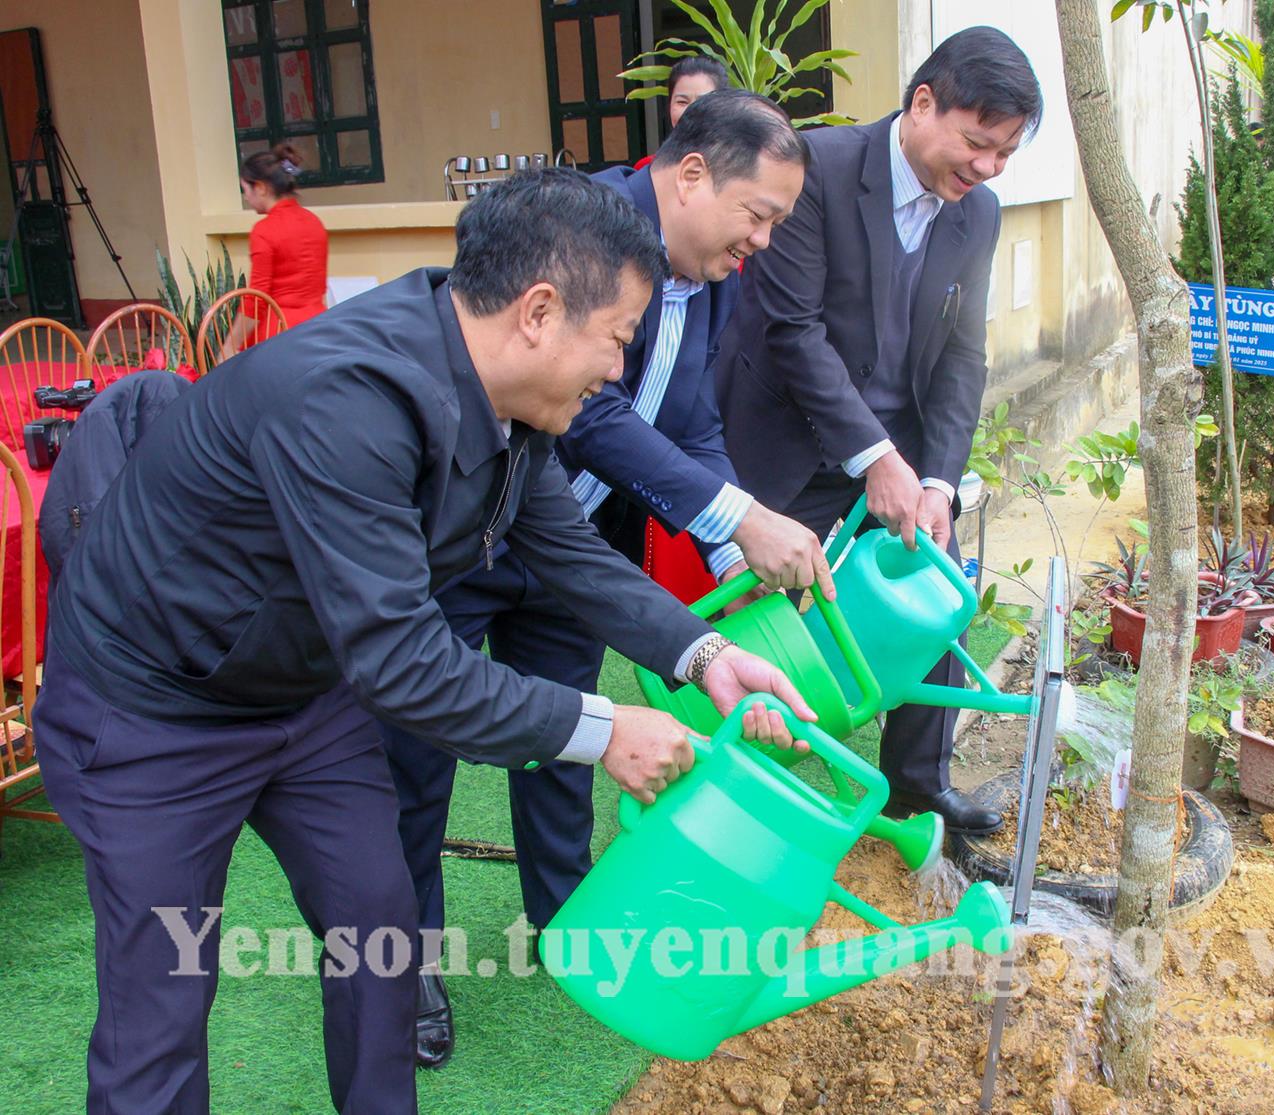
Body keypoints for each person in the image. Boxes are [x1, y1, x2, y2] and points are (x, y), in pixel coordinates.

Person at [34, 169, 814, 1115]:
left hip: (303, 694)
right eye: (614, 339)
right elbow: (402, 664)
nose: (617, 369)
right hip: (151, 709)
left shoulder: (503, 393)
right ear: (538, 311)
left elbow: (570, 553)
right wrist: (604, 727)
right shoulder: (344, 401)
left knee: (379, 922)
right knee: (160, 995)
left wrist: (704, 655)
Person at [379, 89, 822, 1068]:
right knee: (414, 759)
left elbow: (690, 424)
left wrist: (726, 556)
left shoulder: (706, 276)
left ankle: (570, 920)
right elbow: (592, 415)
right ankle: (408, 967)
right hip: (463, 543)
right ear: (694, 173)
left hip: (574, 551)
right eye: (759, 216)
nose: (761, 242)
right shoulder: (576, 236)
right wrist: (739, 514)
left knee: (566, 742)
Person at [716, 27, 1043, 835]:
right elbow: (792, 329)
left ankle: (913, 784)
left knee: (942, 597)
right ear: (922, 103)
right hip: (785, 441)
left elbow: (963, 353)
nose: (988, 168)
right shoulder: (817, 169)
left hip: (898, 451)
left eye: (1004, 153)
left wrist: (934, 482)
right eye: (977, 143)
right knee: (761, 615)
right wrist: (877, 457)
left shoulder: (980, 214)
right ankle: (737, 795)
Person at [217, 143, 330, 360]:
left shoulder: (264, 230)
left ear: (260, 187)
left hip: (279, 334)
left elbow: (257, 299)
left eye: (245, 190)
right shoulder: (314, 222)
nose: (246, 197)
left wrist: (229, 347)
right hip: (319, 329)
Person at [633, 56, 730, 169]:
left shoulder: (740, 168)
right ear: (670, 104)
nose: (691, 110)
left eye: (703, 101)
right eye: (682, 102)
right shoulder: (647, 169)